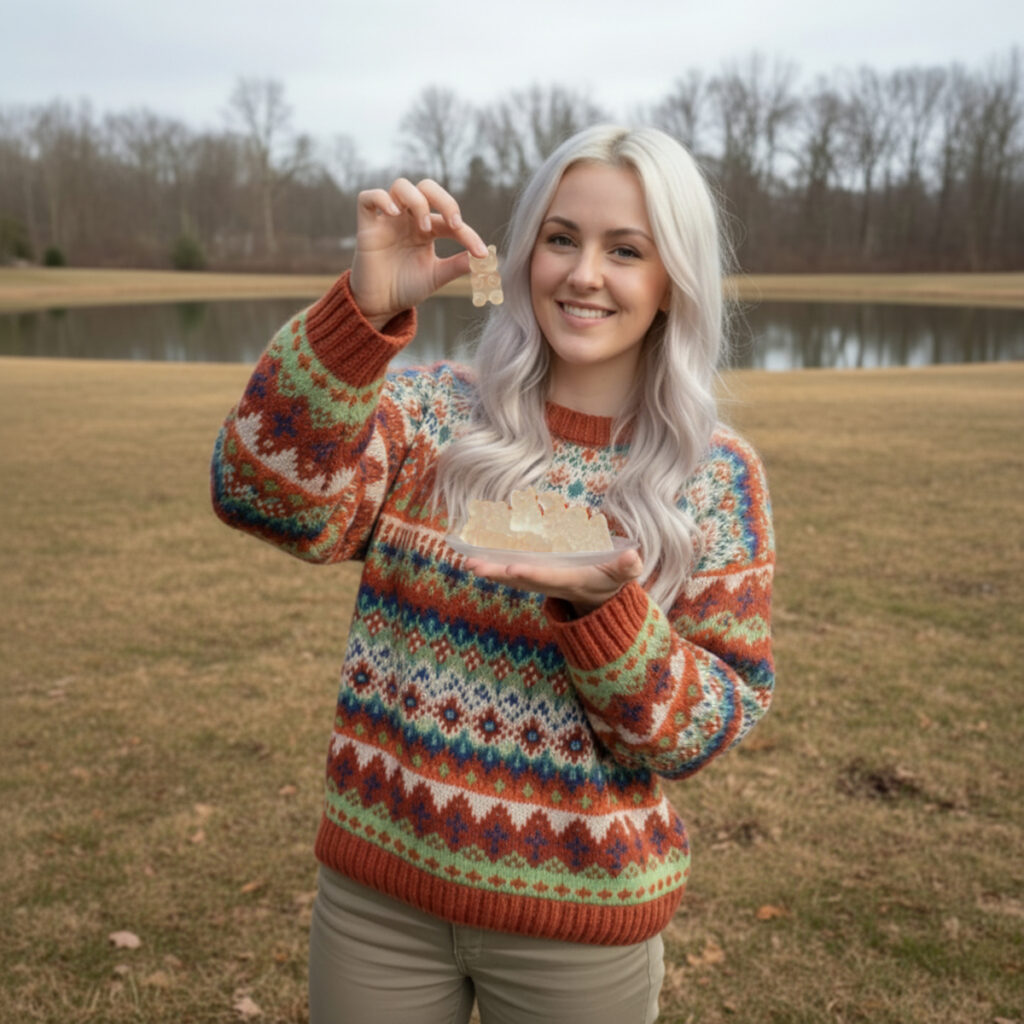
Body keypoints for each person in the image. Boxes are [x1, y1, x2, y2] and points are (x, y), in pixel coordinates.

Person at [211, 123, 775, 1024]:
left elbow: (706, 726)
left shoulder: (714, 476)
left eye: (626, 250)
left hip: (582, 926)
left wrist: (608, 617)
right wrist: (360, 316)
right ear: (522, 254)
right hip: (377, 902)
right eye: (561, 238)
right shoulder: (434, 417)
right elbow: (262, 494)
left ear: (674, 281)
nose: (584, 274)